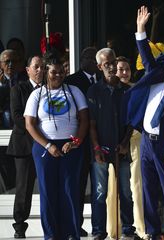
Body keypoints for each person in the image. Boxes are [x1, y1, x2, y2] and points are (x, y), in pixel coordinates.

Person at [124, 6, 164, 240]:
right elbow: (147, 54)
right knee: (148, 190)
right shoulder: (155, 76)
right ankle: (153, 232)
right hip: (146, 142)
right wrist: (140, 29)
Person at [24, 51, 89, 240]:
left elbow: (84, 120)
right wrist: (48, 146)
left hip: (72, 147)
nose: (58, 75)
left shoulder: (74, 91)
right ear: (46, 72)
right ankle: (51, 234)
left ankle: (71, 233)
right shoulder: (37, 94)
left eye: (61, 71)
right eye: (54, 72)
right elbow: (30, 124)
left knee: (70, 190)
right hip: (45, 148)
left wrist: (75, 142)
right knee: (48, 191)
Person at [88, 48, 135, 240]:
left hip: (121, 149)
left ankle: (128, 228)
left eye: (113, 62)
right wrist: (97, 147)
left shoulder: (126, 90)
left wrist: (125, 143)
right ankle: (99, 230)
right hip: (100, 149)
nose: (111, 66)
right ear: (99, 66)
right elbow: (90, 123)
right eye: (106, 64)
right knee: (100, 192)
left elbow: (132, 121)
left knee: (125, 190)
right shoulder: (94, 90)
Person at [6, 55, 43, 238]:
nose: (39, 70)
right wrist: (38, 129)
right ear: (27, 69)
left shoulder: (49, 89)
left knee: (48, 186)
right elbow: (17, 117)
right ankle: (19, 226)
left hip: (45, 146)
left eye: (42, 67)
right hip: (24, 146)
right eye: (36, 67)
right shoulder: (18, 89)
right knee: (24, 188)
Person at [64, 46, 99, 237]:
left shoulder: (103, 78)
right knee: (78, 186)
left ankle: (99, 226)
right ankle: (75, 225)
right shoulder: (71, 82)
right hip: (80, 142)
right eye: (91, 58)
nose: (95, 62)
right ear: (83, 60)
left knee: (99, 188)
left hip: (100, 141)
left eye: (97, 59)